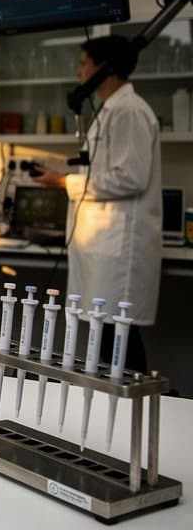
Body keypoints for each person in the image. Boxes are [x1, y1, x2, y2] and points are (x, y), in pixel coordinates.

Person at [32, 35, 160, 373]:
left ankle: (129, 408)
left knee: (118, 342)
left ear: (104, 69)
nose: (78, 73)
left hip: (117, 250)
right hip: (101, 246)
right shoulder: (110, 111)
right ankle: (111, 406)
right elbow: (104, 172)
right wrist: (66, 175)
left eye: (82, 63)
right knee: (106, 339)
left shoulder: (129, 112)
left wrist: (64, 182)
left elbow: (130, 178)